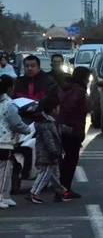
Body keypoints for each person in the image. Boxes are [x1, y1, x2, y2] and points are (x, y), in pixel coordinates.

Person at [29, 96, 71, 204]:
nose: (59, 109)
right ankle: (34, 193)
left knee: (53, 175)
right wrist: (55, 152)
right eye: (58, 107)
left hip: (49, 154)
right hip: (47, 154)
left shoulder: (49, 122)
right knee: (45, 174)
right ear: (53, 109)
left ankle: (62, 191)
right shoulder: (46, 124)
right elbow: (49, 141)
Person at [57, 67, 91, 199]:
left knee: (66, 160)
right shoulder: (79, 90)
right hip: (74, 128)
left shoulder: (65, 88)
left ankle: (63, 188)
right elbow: (76, 107)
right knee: (71, 160)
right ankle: (64, 189)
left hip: (63, 126)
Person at [0, 75, 32, 209]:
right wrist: (27, 129)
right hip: (4, 142)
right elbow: (16, 123)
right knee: (4, 171)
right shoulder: (9, 105)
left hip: (4, 141)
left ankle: (5, 196)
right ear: (9, 88)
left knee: (6, 170)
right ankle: (1, 196)